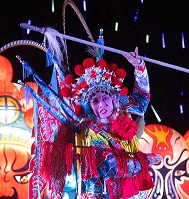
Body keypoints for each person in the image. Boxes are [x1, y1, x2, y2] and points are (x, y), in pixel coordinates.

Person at [58, 47, 161, 199]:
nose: (101, 105)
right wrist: (144, 161)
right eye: (95, 101)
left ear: (114, 99)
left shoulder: (123, 116)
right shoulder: (91, 130)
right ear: (90, 106)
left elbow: (142, 99)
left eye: (105, 98)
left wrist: (139, 67)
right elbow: (111, 166)